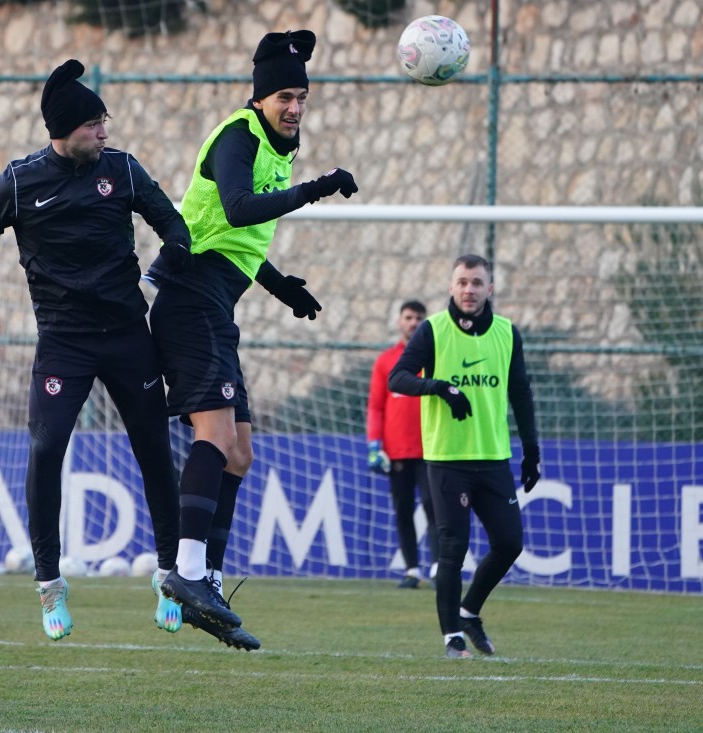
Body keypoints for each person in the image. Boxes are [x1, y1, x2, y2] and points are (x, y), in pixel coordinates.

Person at [0, 59, 189, 642]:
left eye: (105, 123)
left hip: (129, 337)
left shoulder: (124, 171)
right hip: (64, 343)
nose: (105, 134)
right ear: (64, 129)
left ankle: (169, 576)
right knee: (45, 449)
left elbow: (176, 228)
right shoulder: (17, 182)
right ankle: (49, 584)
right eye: (94, 125)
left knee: (155, 453)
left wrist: (160, 278)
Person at [145, 30, 358, 651]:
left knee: (239, 454)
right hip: (188, 301)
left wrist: (279, 285)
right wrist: (317, 188)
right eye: (285, 97)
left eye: (302, 97)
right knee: (215, 437)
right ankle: (184, 575)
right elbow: (237, 209)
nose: (295, 107)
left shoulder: (279, 144)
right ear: (261, 98)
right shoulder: (239, 135)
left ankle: (205, 581)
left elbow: (232, 238)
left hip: (218, 300)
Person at [388, 253, 540, 659]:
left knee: (509, 543)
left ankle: (469, 611)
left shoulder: (508, 333)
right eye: (462, 282)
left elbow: (521, 394)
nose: (469, 289)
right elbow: (397, 378)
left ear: (490, 289)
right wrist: (441, 388)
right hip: (446, 459)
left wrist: (532, 451)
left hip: (493, 457)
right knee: (452, 547)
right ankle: (452, 637)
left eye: (477, 282)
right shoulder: (432, 331)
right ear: (451, 287)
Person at [367, 299, 439, 589]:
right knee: (403, 510)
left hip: (430, 449)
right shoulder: (386, 360)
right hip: (396, 452)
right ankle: (412, 570)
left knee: (435, 509)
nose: (413, 322)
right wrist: (374, 443)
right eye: (409, 317)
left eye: (419, 318)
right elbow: (376, 406)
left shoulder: (434, 358)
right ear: (400, 321)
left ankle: (437, 568)